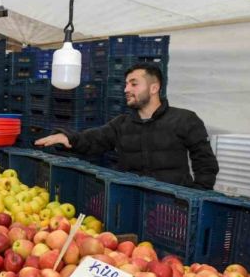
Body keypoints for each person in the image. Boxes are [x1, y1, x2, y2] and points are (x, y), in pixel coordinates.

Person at [35, 62, 219, 189]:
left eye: (134, 84)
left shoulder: (184, 119)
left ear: (154, 88)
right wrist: (67, 137)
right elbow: (92, 140)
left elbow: (205, 162)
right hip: (131, 201)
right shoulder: (122, 124)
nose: (126, 89)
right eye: (126, 84)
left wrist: (198, 193)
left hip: (172, 206)